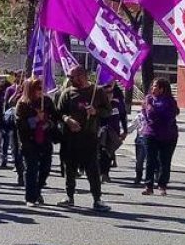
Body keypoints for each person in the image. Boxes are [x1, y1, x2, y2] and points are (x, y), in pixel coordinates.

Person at [55, 66, 112, 211]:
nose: (70, 79)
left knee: (92, 169)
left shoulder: (97, 92)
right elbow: (59, 113)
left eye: (72, 77)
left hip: (90, 137)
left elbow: (108, 111)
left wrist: (95, 111)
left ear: (82, 76)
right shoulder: (67, 93)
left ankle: (97, 199)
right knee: (70, 169)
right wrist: (68, 120)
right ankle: (69, 197)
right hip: (71, 138)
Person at [15, 77, 57, 207]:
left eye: (42, 88)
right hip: (29, 141)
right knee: (31, 169)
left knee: (45, 168)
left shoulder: (48, 102)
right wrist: (35, 119)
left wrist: (48, 124)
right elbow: (20, 124)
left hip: (45, 140)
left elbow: (55, 118)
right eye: (38, 88)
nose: (41, 91)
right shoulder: (22, 104)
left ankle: (37, 191)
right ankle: (30, 197)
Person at [142, 77, 180, 196]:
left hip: (168, 135)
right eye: (152, 86)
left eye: (156, 86)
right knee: (150, 160)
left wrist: (153, 113)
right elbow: (147, 115)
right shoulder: (148, 100)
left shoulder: (170, 102)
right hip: (151, 133)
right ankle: (148, 185)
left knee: (164, 160)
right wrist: (149, 109)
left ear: (162, 89)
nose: (153, 88)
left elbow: (169, 117)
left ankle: (162, 185)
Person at [98, 79, 129, 182]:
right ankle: (100, 172)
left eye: (110, 92)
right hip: (100, 130)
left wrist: (125, 130)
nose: (109, 94)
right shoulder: (98, 99)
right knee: (100, 152)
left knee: (108, 152)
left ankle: (105, 173)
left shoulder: (118, 101)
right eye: (106, 93)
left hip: (113, 131)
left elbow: (123, 115)